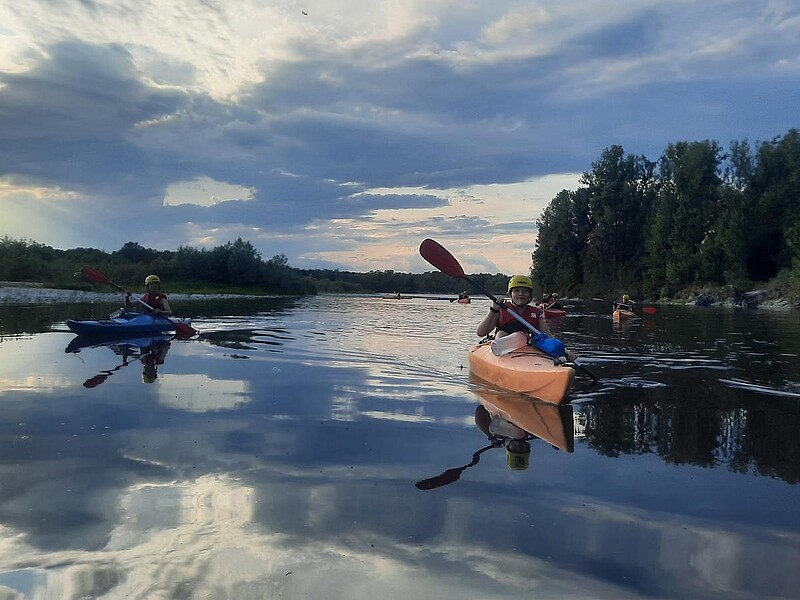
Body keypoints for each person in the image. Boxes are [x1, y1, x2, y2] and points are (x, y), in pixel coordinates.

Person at [477, 275, 551, 339]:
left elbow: (549, 338)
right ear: (510, 294)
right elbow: (481, 333)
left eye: (525, 291)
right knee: (501, 334)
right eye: (516, 291)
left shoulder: (536, 313)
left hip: (529, 345)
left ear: (529, 295)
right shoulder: (501, 310)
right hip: (504, 346)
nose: (521, 294)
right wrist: (493, 310)